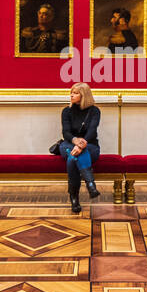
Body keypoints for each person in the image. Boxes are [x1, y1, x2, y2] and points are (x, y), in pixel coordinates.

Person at [55, 83, 101, 213]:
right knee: (73, 153)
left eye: (75, 93)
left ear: (84, 95)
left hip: (90, 145)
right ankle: (90, 184)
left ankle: (74, 197)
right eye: (71, 92)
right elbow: (66, 133)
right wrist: (77, 142)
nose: (71, 95)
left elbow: (92, 131)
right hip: (68, 144)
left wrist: (82, 145)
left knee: (73, 158)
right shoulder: (66, 111)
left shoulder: (94, 111)